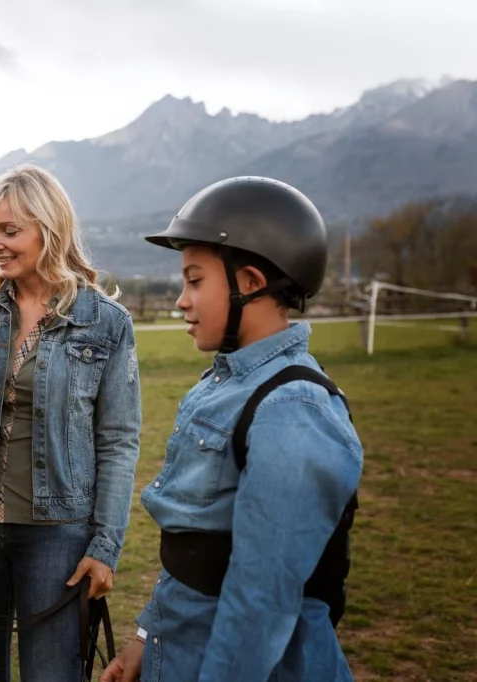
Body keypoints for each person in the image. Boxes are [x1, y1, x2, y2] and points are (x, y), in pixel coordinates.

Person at [100, 176, 363, 682]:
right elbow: (194, 548)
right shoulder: (224, 385)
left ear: (248, 282)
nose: (181, 299)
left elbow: (260, 600)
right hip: (180, 653)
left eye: (194, 280)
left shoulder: (292, 409)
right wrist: (145, 638)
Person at [0, 163, 142, 681]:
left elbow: (118, 442)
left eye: (10, 231)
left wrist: (104, 547)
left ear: (50, 231)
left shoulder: (106, 323)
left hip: (58, 536)